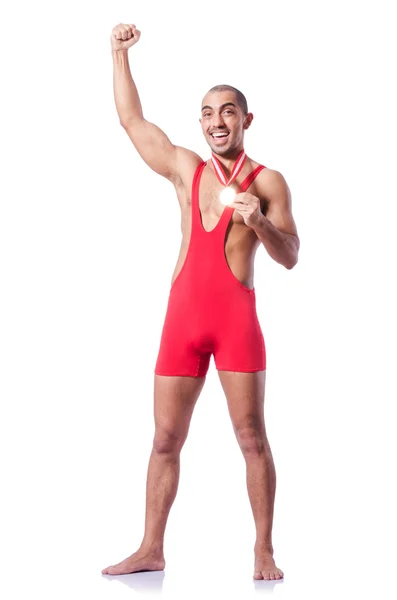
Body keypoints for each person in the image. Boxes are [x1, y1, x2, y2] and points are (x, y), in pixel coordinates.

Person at [102, 22, 300, 581]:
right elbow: (132, 122)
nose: (217, 121)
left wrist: (259, 221)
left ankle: (264, 550)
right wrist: (118, 55)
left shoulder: (269, 181)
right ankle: (150, 548)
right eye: (209, 113)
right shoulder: (186, 168)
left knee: (251, 437)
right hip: (182, 321)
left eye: (228, 111)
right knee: (165, 438)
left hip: (236, 321)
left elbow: (290, 256)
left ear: (246, 119)